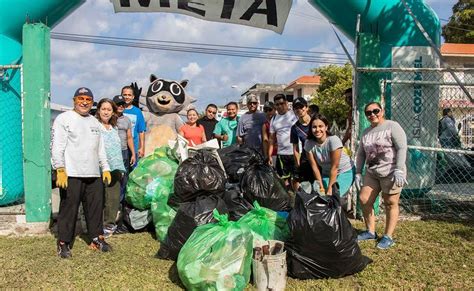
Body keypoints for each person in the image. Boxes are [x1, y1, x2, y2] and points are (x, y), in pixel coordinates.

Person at [51, 87, 112, 258]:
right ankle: (64, 242)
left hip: (93, 174)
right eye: (81, 98)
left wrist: (105, 168)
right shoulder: (64, 119)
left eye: (88, 99)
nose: (84, 102)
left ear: (92, 103)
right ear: (74, 100)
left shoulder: (95, 122)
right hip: (72, 173)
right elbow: (57, 146)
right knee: (69, 209)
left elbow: (100, 148)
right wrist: (60, 168)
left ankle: (96, 238)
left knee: (95, 208)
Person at [355, 102, 407, 250]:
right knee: (364, 199)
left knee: (390, 202)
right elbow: (361, 153)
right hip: (372, 172)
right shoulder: (366, 132)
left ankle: (388, 236)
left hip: (391, 172)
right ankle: (370, 231)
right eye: (368, 113)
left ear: (382, 111)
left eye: (375, 111)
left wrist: (399, 169)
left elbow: (402, 147)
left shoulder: (392, 126)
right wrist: (358, 172)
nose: (372, 114)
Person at [95, 98, 127, 237]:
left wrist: (121, 168)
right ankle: (94, 225)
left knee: (113, 199)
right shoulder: (95, 126)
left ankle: (109, 225)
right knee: (98, 198)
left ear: (113, 112)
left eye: (109, 109)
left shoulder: (114, 127)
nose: (106, 112)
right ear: (98, 110)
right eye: (103, 109)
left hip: (115, 168)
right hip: (99, 167)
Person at [304, 114, 355, 196]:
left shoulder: (333, 140)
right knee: (319, 194)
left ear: (326, 127)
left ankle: (336, 206)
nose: (317, 129)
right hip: (326, 173)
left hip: (344, 171)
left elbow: (334, 167)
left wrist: (330, 189)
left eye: (321, 126)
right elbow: (314, 167)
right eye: (314, 127)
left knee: (334, 195)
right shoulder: (309, 143)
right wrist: (321, 187)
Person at [112, 94, 135, 234]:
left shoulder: (126, 120)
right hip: (112, 154)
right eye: (118, 104)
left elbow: (129, 137)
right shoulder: (109, 118)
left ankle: (120, 213)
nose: (120, 106)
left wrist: (133, 153)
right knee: (112, 183)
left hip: (124, 152)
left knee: (123, 182)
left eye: (122, 104)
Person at [268, 94, 298, 188]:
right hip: (281, 154)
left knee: (296, 179)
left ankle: (297, 199)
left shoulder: (295, 114)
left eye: (282, 103)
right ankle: (288, 200)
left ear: (286, 103)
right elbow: (271, 139)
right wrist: (269, 155)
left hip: (295, 153)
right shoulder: (274, 119)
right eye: (277, 104)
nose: (280, 106)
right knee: (283, 181)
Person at [290, 97, 315, 190]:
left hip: (319, 159)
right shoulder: (295, 128)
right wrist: (297, 166)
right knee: (306, 189)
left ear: (306, 107)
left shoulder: (315, 122)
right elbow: (295, 148)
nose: (299, 110)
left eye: (301, 107)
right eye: (296, 108)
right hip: (306, 160)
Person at [122, 85, 146, 166]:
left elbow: (141, 131)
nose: (127, 97)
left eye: (129, 95)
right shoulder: (117, 109)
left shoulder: (137, 112)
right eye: (125, 95)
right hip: (120, 146)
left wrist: (142, 147)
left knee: (133, 171)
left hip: (134, 147)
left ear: (133, 97)